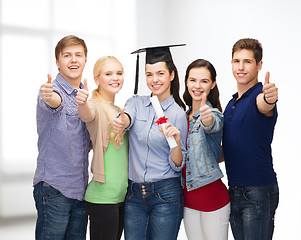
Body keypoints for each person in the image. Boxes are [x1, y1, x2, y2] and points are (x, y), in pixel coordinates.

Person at [112, 45, 188, 240]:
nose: (154, 80)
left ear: (171, 75)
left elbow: (178, 164)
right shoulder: (136, 103)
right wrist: (122, 122)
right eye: (149, 74)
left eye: (160, 73)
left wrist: (177, 144)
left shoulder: (178, 114)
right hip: (134, 195)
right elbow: (127, 118)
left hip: (166, 194)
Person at [33, 35, 90, 240]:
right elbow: (54, 102)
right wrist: (50, 97)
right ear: (57, 62)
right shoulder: (51, 90)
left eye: (78, 55)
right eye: (67, 55)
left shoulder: (83, 95)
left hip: (80, 190)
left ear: (85, 60)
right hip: (54, 189)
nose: (73, 60)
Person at [222, 38, 279, 240]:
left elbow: (265, 104)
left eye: (247, 61)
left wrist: (269, 98)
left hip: (258, 191)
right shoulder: (230, 104)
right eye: (236, 61)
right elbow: (227, 149)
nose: (241, 67)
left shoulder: (259, 96)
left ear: (259, 65)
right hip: (234, 190)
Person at [76, 56, 128, 240]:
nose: (115, 77)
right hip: (102, 198)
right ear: (97, 79)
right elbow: (87, 115)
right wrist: (82, 103)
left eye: (119, 73)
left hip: (121, 197)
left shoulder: (119, 109)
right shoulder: (95, 106)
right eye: (108, 74)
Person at [182, 59, 230, 240]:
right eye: (193, 80)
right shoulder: (182, 116)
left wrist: (206, 118)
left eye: (204, 81)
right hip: (188, 201)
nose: (197, 86)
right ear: (186, 82)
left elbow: (212, 124)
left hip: (213, 200)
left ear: (213, 84)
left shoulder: (214, 113)